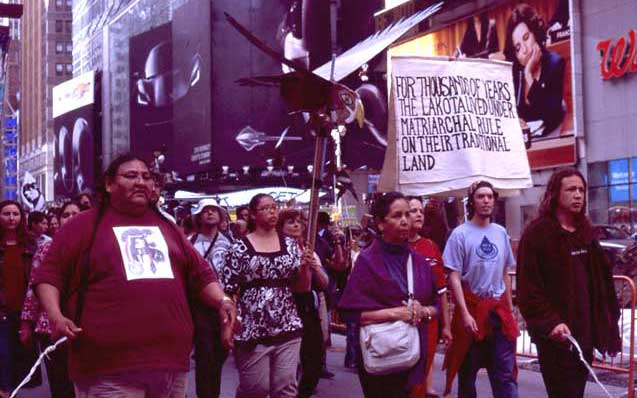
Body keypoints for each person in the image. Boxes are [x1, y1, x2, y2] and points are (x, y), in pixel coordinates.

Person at [33, 154, 236, 397]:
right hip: (107, 366)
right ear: (109, 184)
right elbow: (49, 275)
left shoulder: (168, 226)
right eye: (131, 176)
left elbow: (200, 274)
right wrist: (56, 316)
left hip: (170, 363)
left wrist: (222, 301)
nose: (141, 182)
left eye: (146, 177)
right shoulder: (81, 225)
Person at [517, 168, 621, 398]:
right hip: (556, 337)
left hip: (584, 334)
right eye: (571, 189)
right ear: (555, 194)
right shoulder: (537, 234)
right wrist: (550, 322)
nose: (578, 195)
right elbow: (528, 289)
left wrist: (608, 325)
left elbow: (602, 284)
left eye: (581, 190)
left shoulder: (586, 234)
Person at [338, 192, 439, 398]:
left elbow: (435, 305)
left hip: (411, 353)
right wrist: (396, 314)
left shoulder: (419, 262)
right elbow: (350, 314)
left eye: (407, 214)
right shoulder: (367, 261)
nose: (405, 220)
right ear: (381, 223)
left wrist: (422, 310)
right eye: (397, 215)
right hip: (379, 354)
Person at [222, 194, 312, 398]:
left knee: (286, 388)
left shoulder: (291, 245)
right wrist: (227, 323)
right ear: (253, 214)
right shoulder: (239, 248)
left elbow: (302, 288)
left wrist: (306, 268)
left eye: (274, 207)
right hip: (251, 328)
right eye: (266, 208)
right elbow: (227, 289)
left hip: (287, 324)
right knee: (256, 388)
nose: (272, 211)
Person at [442, 181, 518, 398]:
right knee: (468, 373)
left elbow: (505, 272)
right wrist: (464, 313)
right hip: (472, 312)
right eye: (480, 196)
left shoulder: (501, 233)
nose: (486, 201)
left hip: (498, 313)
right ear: (472, 201)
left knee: (504, 373)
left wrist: (510, 310)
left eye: (490, 197)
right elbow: (453, 275)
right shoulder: (460, 234)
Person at [21, 201, 84, 398]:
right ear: (58, 220)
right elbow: (34, 288)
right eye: (66, 215)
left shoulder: (98, 246)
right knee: (61, 385)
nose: (71, 218)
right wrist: (26, 324)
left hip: (87, 328)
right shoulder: (46, 248)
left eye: (76, 214)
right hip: (50, 327)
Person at [277, 208, 329, 398]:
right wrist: (300, 268)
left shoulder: (308, 249)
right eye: (291, 222)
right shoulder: (277, 249)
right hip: (286, 304)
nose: (297, 225)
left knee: (315, 354)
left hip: (307, 305)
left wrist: (313, 267)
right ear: (281, 226)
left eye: (300, 221)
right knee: (287, 360)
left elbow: (324, 283)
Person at [188, 198, 233, 398]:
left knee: (218, 353)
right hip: (198, 304)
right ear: (198, 216)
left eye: (213, 210)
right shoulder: (189, 242)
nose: (209, 213)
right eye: (205, 210)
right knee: (205, 355)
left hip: (224, 302)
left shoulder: (230, 243)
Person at [408, 196, 452, 398]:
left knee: (422, 373)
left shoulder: (431, 247)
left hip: (428, 322)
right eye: (412, 210)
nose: (418, 214)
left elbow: (442, 291)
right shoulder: (392, 248)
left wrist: (446, 326)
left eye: (420, 211)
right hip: (401, 322)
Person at [504, 3, 566, 138]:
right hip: (527, 146)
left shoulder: (555, 64)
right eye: (518, 48)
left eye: (526, 38)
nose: (524, 50)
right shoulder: (515, 74)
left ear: (535, 34)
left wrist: (529, 74)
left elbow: (551, 116)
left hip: (552, 141)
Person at [0, 200, 38, 397]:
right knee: (3, 358)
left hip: (25, 311)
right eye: (6, 213)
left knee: (21, 361)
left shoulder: (32, 245)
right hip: (2, 312)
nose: (11, 218)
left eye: (15, 214)